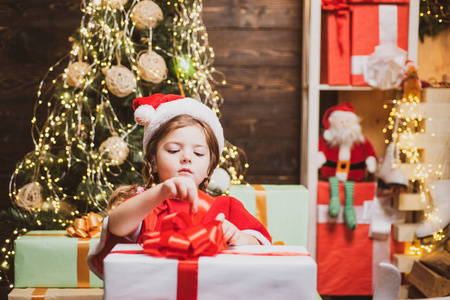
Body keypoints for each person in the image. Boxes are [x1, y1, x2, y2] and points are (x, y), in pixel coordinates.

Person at [88, 93, 271, 279]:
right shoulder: (147, 204)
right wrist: (159, 192)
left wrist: (239, 237)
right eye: (174, 150)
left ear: (209, 168)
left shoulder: (226, 207)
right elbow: (116, 226)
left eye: (198, 153)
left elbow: (261, 245)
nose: (187, 157)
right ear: (153, 162)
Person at [317, 102, 377, 230]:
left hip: (354, 176)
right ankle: (334, 205)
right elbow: (320, 148)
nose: (344, 124)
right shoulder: (327, 140)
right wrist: (319, 157)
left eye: (347, 121)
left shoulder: (360, 141)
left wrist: (371, 160)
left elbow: (369, 151)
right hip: (331, 175)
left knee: (349, 192)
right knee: (334, 187)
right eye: (341, 121)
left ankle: (349, 212)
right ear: (332, 122)